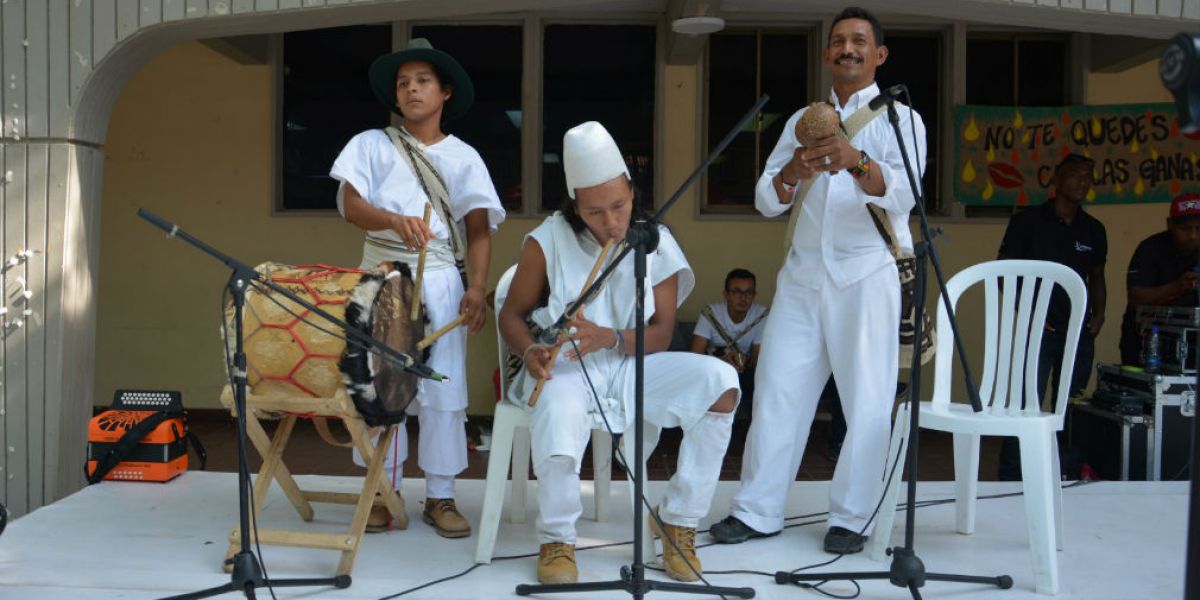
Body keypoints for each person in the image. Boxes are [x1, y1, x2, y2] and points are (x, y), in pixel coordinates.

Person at [710, 6, 926, 555]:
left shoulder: (902, 119)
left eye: (859, 41)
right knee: (778, 394)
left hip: (866, 274)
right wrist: (793, 172)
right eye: (837, 42)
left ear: (878, 55)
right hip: (803, 278)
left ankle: (852, 518)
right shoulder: (802, 119)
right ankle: (757, 510)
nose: (846, 49)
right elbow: (765, 199)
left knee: (867, 401)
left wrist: (854, 161)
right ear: (827, 54)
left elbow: (905, 195)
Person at [499, 121, 739, 585]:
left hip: (632, 363)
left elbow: (662, 333)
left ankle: (677, 521)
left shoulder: (656, 241)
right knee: (558, 407)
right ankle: (557, 539)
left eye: (618, 205)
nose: (611, 222)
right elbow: (512, 314)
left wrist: (610, 337)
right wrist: (529, 348)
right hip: (567, 366)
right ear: (574, 206)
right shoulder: (546, 241)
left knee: (721, 384)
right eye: (594, 212)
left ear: (632, 190)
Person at [329, 38, 506, 537]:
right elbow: (350, 205)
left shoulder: (464, 156)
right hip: (382, 276)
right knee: (382, 384)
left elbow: (477, 230)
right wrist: (392, 219)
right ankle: (385, 492)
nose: (411, 89)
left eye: (423, 81)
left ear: (445, 92)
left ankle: (442, 497)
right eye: (403, 83)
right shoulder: (370, 144)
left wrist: (477, 289)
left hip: (443, 278)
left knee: (441, 387)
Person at [996, 153, 1106, 480]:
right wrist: (1028, 313)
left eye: (1087, 176)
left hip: (1078, 331)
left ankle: (1061, 472)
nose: (1082, 182)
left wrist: (1099, 315)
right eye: (1074, 175)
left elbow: (1097, 276)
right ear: (1055, 179)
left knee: (1069, 406)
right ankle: (1011, 475)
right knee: (1025, 402)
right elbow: (1003, 272)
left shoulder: (1094, 229)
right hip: (1039, 329)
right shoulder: (1027, 222)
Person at [1119, 192, 1200, 365]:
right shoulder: (1150, 248)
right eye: (1185, 228)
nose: (1193, 235)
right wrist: (1177, 287)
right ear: (1170, 224)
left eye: (1199, 229)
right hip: (1147, 339)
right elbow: (1135, 297)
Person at [689, 268, 767, 414]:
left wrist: (742, 361)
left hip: (745, 374)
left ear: (754, 295)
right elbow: (695, 356)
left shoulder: (760, 315)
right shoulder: (710, 314)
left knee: (763, 382)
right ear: (726, 294)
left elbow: (758, 361)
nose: (743, 298)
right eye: (737, 292)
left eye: (748, 293)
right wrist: (723, 361)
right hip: (714, 372)